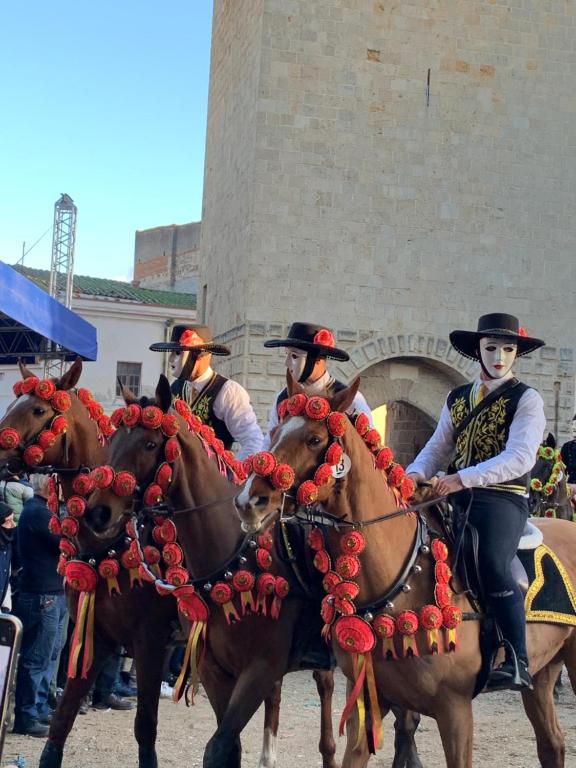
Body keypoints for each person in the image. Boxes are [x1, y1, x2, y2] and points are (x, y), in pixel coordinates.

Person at [406, 313, 546, 691]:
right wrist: (413, 474)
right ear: (478, 350)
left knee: (491, 561)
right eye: (491, 348)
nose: (499, 356)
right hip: (455, 494)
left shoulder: (526, 398)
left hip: (502, 497)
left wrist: (461, 478)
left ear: (516, 352)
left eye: (508, 349)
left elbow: (520, 457)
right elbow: (438, 447)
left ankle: (516, 658)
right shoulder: (457, 397)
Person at [150, 324, 263, 459]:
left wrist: (231, 470)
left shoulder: (227, 392)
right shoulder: (175, 388)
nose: (170, 359)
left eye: (178, 353)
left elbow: (253, 441)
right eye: (172, 353)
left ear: (198, 354)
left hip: (213, 471)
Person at [12, 474, 67, 737]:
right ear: (47, 485)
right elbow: (65, 542)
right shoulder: (37, 512)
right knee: (37, 658)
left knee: (50, 654)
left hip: (53, 592)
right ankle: (27, 714)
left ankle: (40, 706)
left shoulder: (42, 510)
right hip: (42, 594)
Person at [262, 322, 373, 448]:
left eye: (294, 356)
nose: (286, 363)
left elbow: (369, 449)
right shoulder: (282, 398)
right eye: (286, 355)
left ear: (317, 359)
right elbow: (269, 443)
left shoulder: (352, 400)